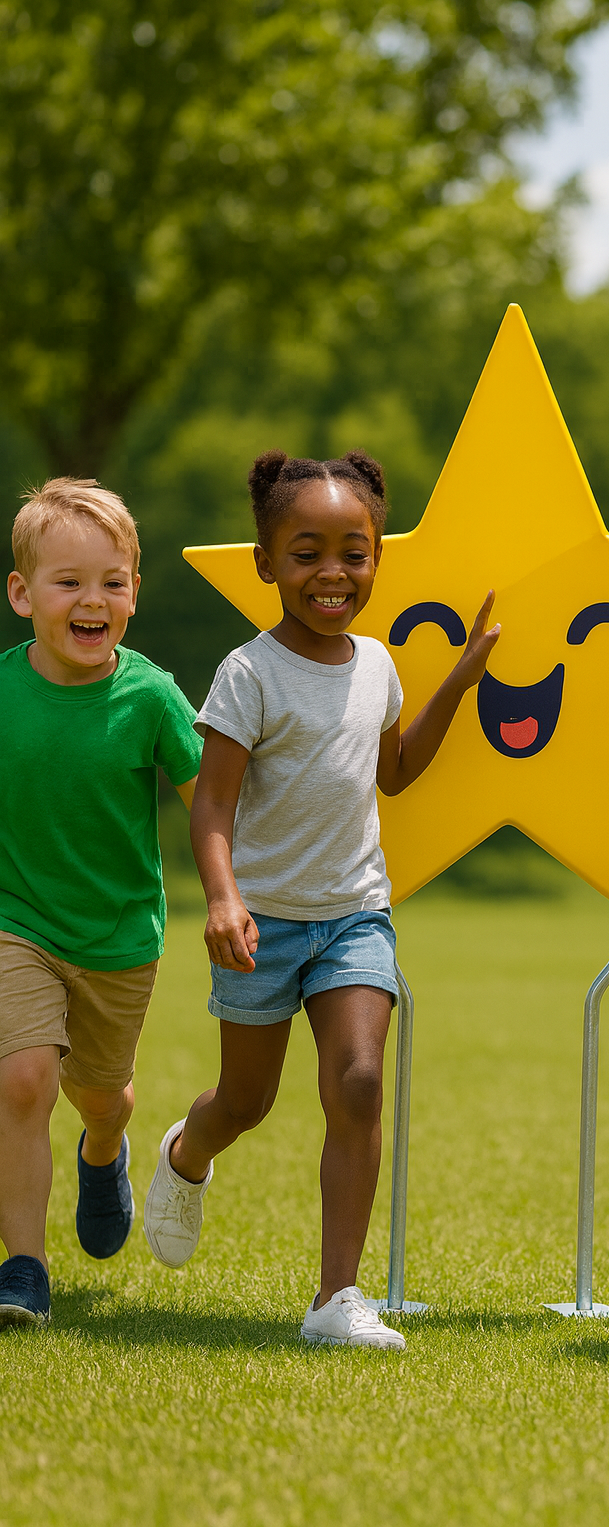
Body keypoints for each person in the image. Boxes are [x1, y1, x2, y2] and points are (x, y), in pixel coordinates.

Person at [143, 449, 498, 1350]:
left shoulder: (378, 664)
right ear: (265, 563)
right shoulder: (248, 673)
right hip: (261, 924)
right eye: (306, 553)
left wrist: (458, 678)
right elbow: (212, 804)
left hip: (354, 917)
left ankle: (338, 1299)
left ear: (377, 558)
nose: (332, 573)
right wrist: (223, 902)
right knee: (246, 1102)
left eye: (355, 551)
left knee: (360, 1082)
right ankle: (186, 1155)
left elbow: (400, 770)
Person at [0, 479, 202, 1330]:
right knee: (21, 1081)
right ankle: (21, 1269)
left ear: (133, 594)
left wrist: (245, 893)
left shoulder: (150, 697)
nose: (93, 600)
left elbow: (215, 807)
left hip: (121, 937)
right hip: (19, 923)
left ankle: (106, 1150)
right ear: (22, 595)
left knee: (102, 1094)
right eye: (68, 582)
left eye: (111, 582)